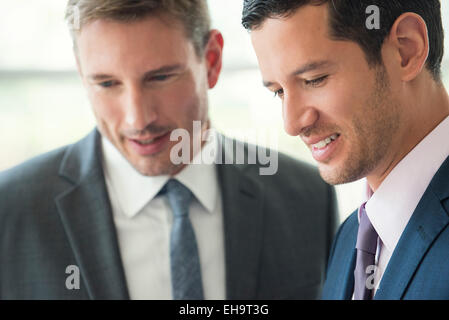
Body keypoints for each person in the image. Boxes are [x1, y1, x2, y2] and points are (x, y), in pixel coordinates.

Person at [0, 0, 338, 300]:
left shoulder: (307, 196)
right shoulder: (11, 212)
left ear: (212, 61)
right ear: (81, 73)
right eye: (106, 83)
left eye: (160, 77)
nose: (138, 118)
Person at [243, 0, 449, 299]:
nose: (292, 123)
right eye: (279, 91)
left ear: (406, 50)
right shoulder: (350, 236)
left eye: (314, 80)